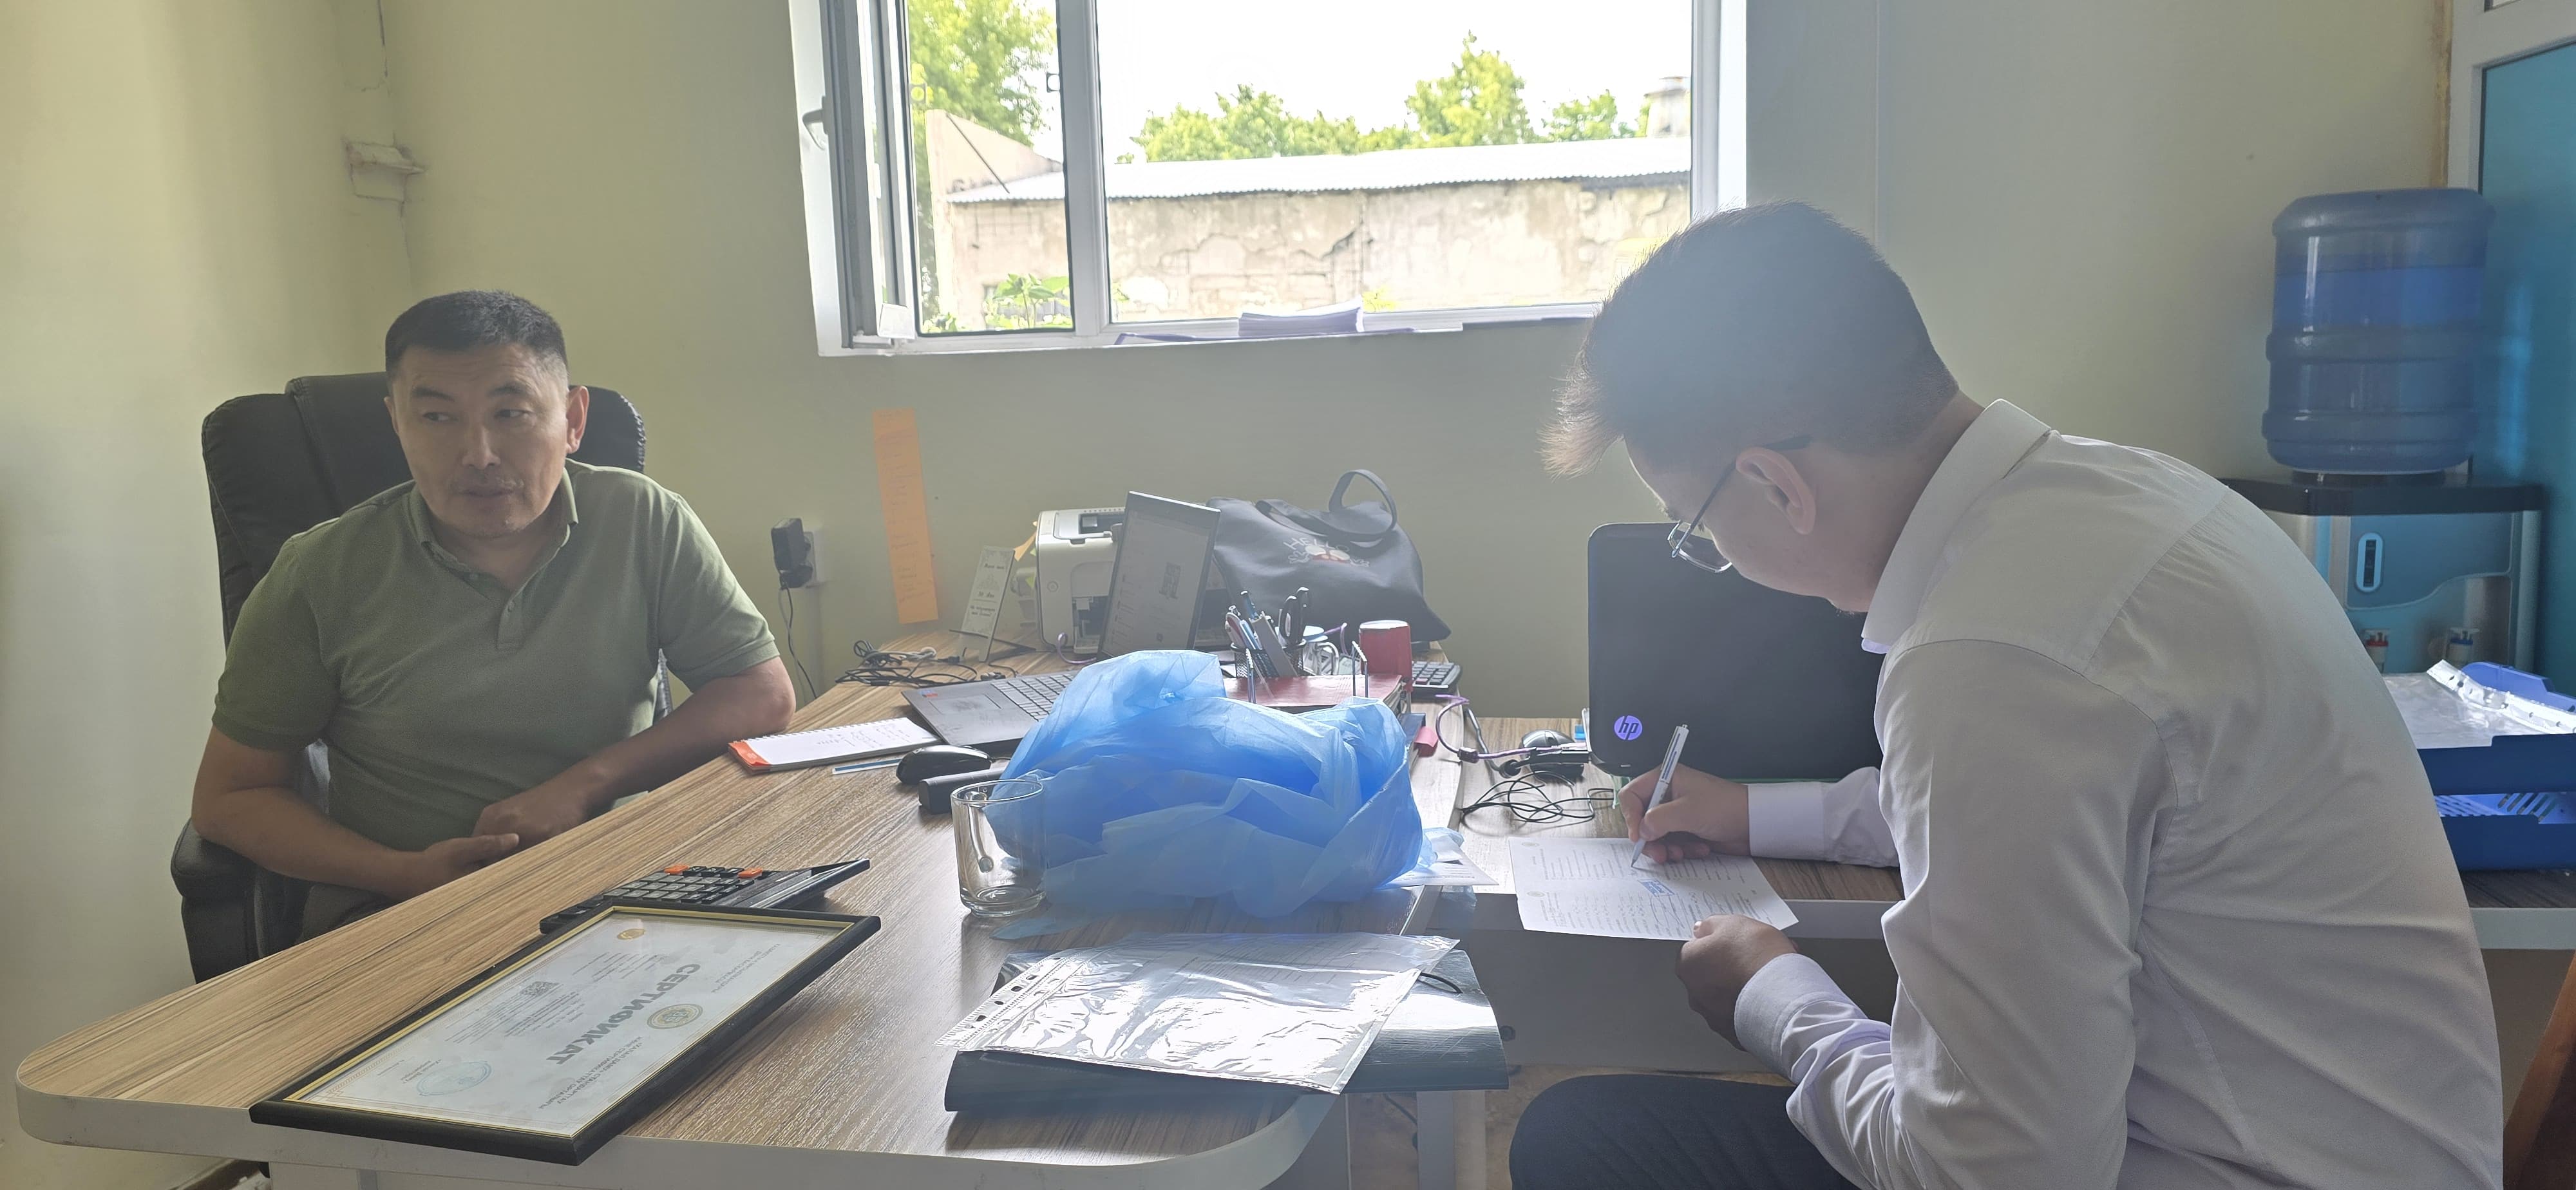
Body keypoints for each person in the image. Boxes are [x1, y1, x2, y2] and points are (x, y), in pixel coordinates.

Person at [1512, 203, 2501, 1189]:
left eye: (1695, 527)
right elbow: (2023, 817)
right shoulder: (2153, 504)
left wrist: (1772, 997)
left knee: (1584, 1141)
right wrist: (1754, 813)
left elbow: (1988, 1175)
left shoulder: (1990, 656)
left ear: (1777, 486)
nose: (1714, 554)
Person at [191, 290, 793, 939]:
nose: (478, 454)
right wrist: (403, 873)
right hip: (406, 912)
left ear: (572, 419)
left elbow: (760, 694)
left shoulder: (643, 519)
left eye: (511, 413)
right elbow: (231, 797)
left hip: (622, 887)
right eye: (437, 417)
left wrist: (584, 785)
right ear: (397, 424)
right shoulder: (318, 572)